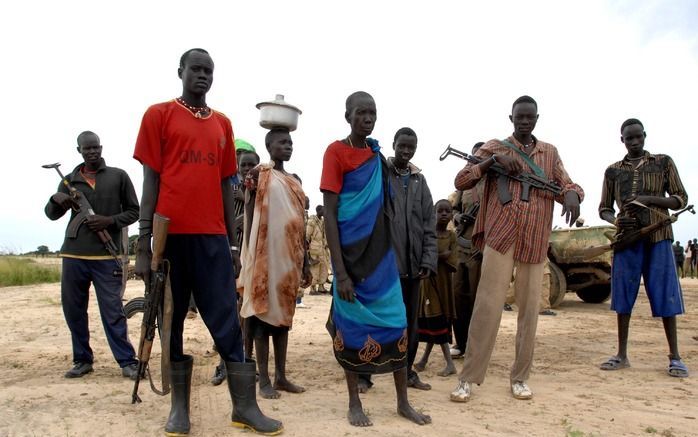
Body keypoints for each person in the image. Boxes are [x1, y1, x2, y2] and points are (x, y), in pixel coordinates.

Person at [133, 48, 281, 436]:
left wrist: (233, 247)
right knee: (172, 321)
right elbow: (150, 182)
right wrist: (143, 242)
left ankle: (244, 408)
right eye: (195, 69)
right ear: (180, 71)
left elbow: (225, 185)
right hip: (170, 240)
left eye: (209, 71)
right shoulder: (158, 115)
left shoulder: (223, 124)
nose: (202, 76)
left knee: (227, 322)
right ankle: (179, 408)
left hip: (213, 239)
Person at [450, 95, 583, 402]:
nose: (525, 122)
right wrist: (490, 162)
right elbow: (461, 180)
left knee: (530, 312)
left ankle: (520, 377)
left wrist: (574, 194)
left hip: (534, 239)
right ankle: (468, 378)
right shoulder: (495, 146)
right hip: (501, 236)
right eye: (519, 117)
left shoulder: (549, 153)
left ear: (537, 118)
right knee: (487, 307)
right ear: (510, 118)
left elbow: (566, 185)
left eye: (530, 117)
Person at [321, 91, 431, 427]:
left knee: (397, 322)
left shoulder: (376, 156)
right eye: (361, 113)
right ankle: (354, 402)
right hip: (350, 260)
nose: (367, 119)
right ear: (347, 116)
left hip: (382, 260)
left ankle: (402, 402)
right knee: (353, 329)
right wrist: (340, 273)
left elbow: (387, 206)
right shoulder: (335, 152)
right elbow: (330, 213)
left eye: (372, 113)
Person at [44, 131, 140, 380]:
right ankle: (82, 360)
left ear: (101, 147)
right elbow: (52, 215)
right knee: (74, 310)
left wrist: (109, 220)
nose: (92, 152)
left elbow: (133, 212)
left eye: (95, 147)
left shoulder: (118, 176)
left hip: (106, 257)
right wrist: (57, 200)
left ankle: (127, 362)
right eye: (87, 149)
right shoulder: (69, 181)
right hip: (73, 255)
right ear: (79, 151)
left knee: (113, 311)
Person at [598, 118, 689, 378]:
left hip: (659, 236)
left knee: (665, 294)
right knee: (623, 295)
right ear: (622, 140)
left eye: (638, 137)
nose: (634, 142)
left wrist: (649, 200)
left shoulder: (663, 162)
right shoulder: (613, 171)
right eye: (629, 138)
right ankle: (621, 355)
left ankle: (675, 356)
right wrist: (615, 220)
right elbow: (604, 208)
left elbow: (680, 198)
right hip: (627, 240)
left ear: (645, 135)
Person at [240, 127, 311, 399]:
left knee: (283, 320)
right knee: (261, 319)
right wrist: (249, 252)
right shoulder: (260, 175)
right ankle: (265, 380)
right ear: (269, 147)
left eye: (290, 142)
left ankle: (281, 376)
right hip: (265, 257)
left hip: (289, 260)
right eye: (282, 142)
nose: (288, 146)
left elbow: (301, 222)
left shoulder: (293, 180)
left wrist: (303, 260)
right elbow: (249, 211)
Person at [211, 148, 261, 386]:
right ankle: (224, 364)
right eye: (243, 165)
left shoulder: (261, 190)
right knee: (230, 313)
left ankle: (246, 361)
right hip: (231, 258)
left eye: (251, 164)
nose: (247, 169)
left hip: (254, 259)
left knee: (249, 315)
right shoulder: (228, 189)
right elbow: (224, 220)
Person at [449, 142, 485, 358]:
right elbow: (454, 208)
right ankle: (460, 343)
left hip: (480, 249)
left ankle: (476, 347)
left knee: (477, 301)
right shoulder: (466, 185)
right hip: (460, 247)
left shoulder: (492, 185)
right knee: (458, 297)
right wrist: (457, 217)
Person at [414, 199, 457, 377]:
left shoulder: (452, 236)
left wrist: (438, 257)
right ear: (433, 213)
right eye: (440, 211)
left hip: (444, 285)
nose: (444, 214)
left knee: (438, 321)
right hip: (428, 285)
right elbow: (426, 256)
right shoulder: (428, 234)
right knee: (434, 321)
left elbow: (453, 259)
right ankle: (425, 360)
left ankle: (449, 364)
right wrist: (441, 256)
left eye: (448, 211)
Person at [306, 205, 331, 294]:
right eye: (323, 210)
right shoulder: (312, 221)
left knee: (324, 267)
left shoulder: (322, 221)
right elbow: (307, 236)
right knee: (315, 269)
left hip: (322, 248)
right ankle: (313, 288)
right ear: (319, 210)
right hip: (314, 248)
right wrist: (308, 252)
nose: (325, 212)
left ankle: (321, 287)